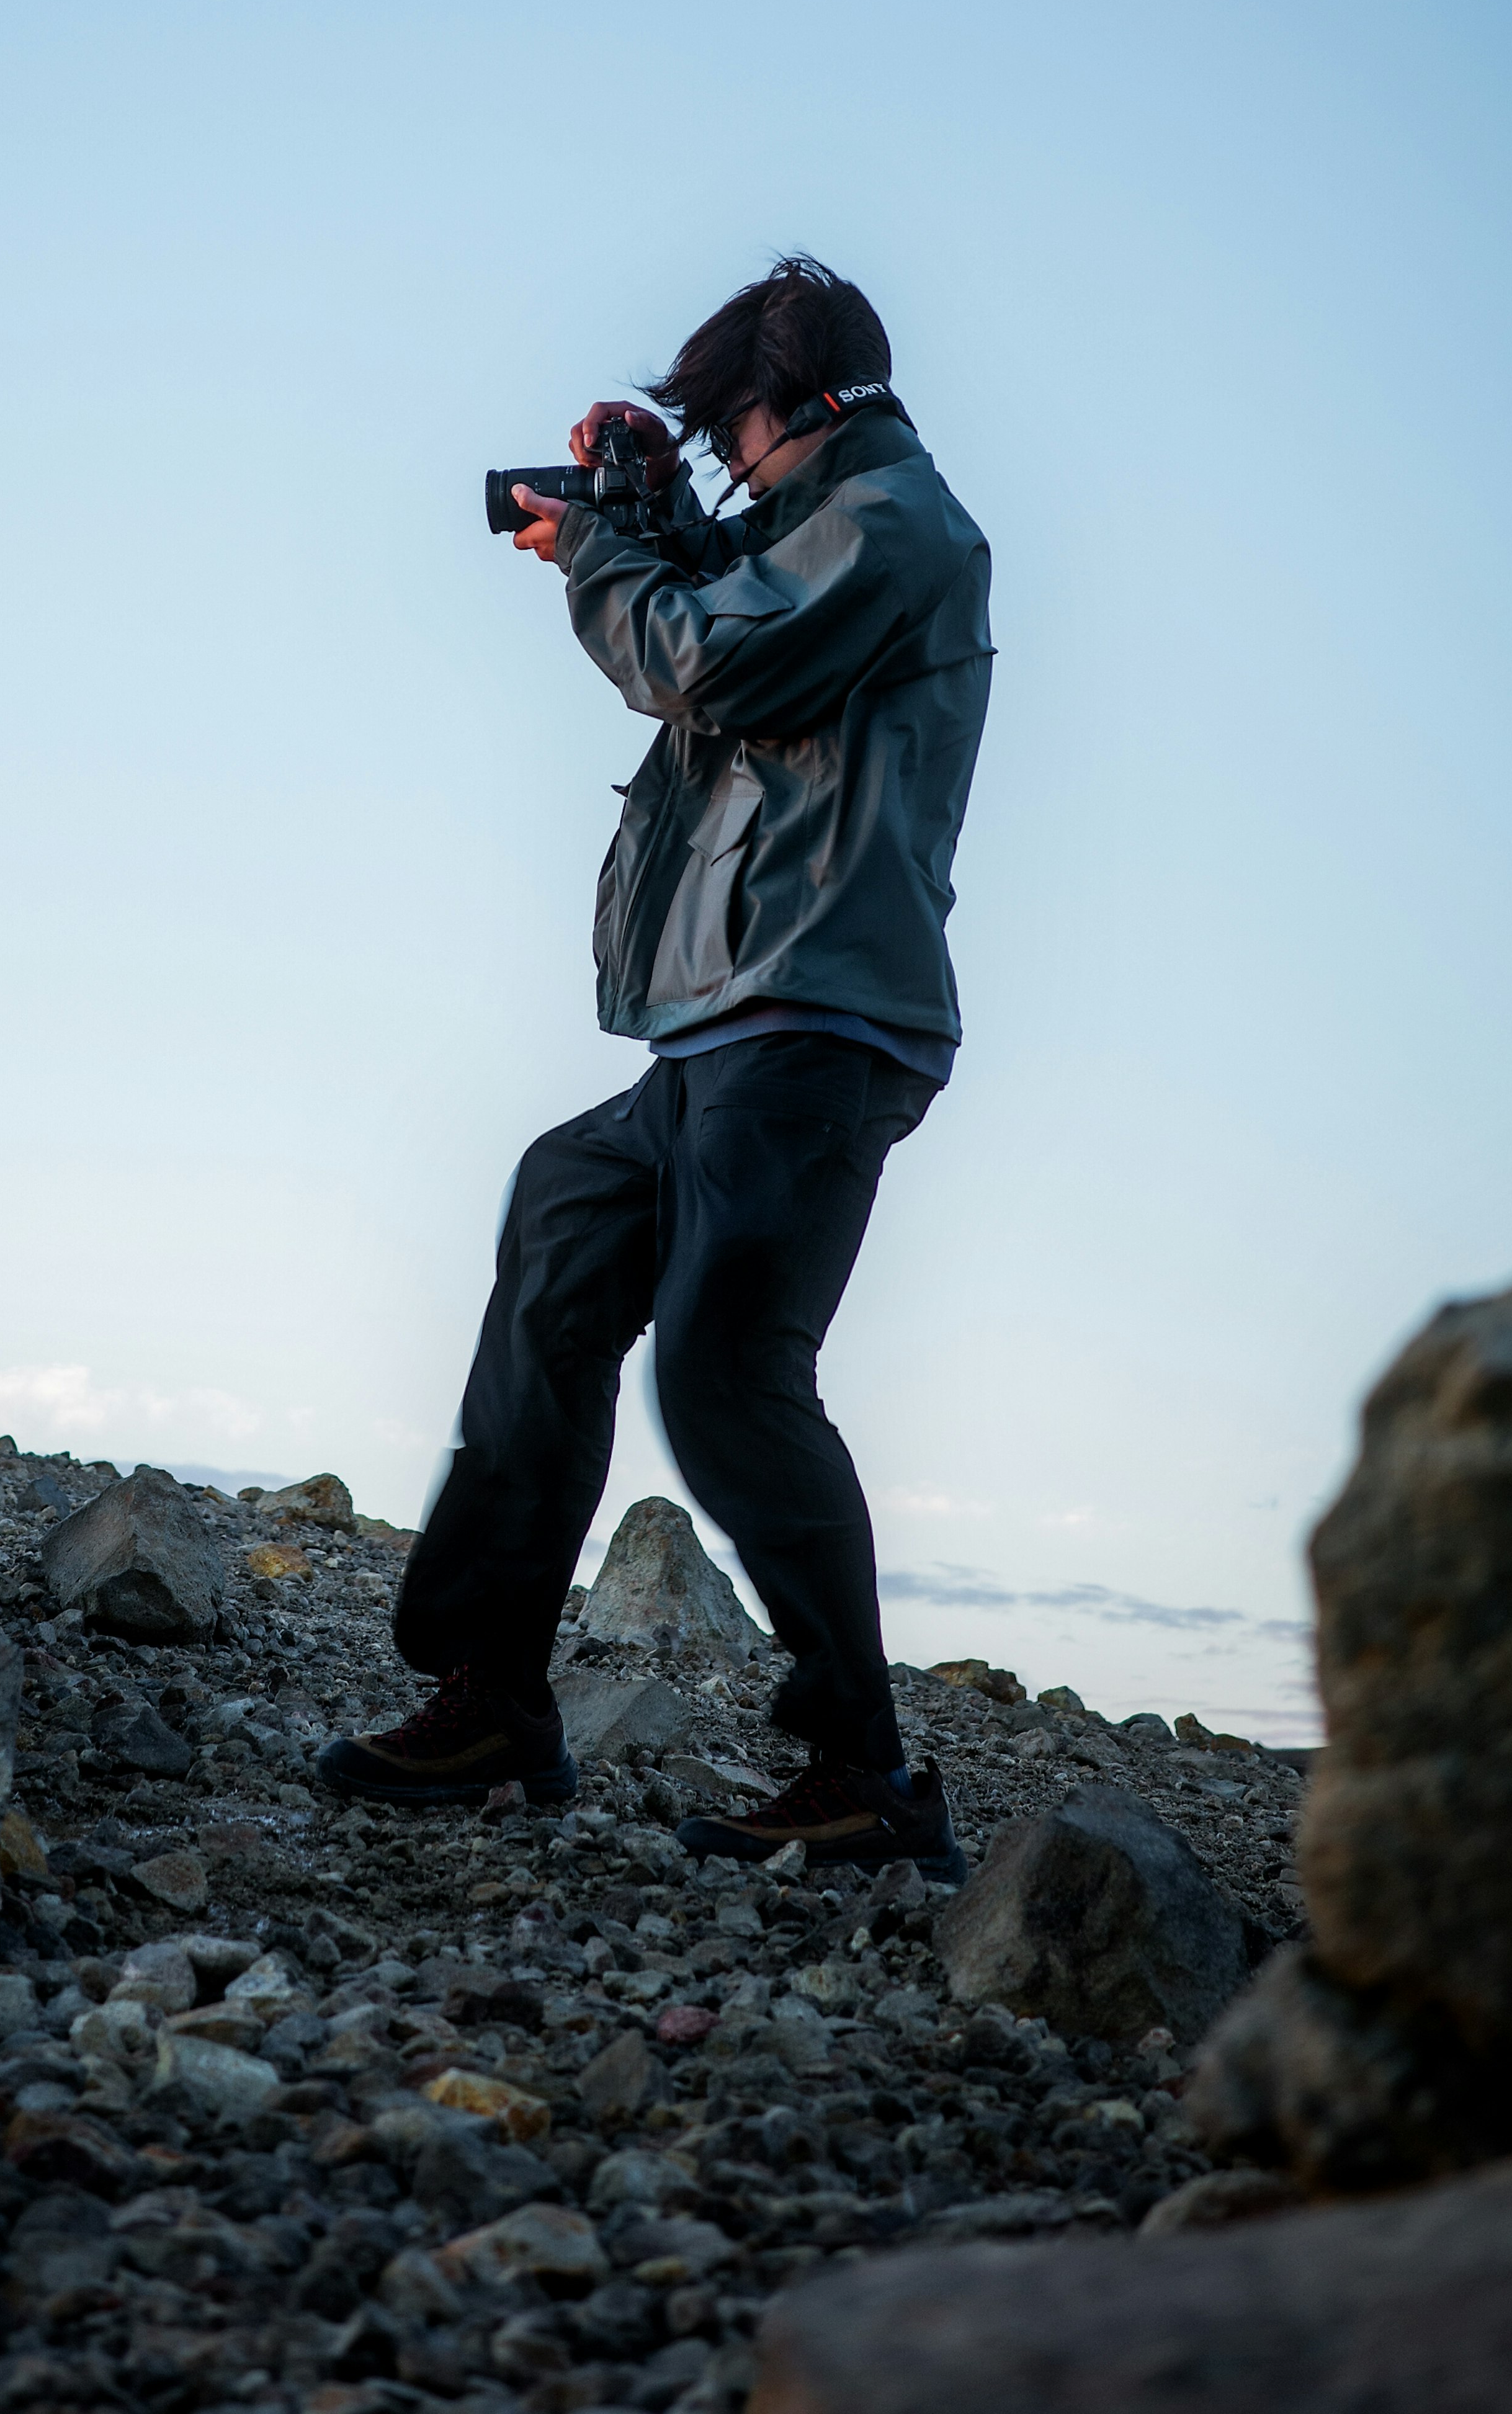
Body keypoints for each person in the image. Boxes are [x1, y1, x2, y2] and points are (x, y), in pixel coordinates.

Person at [318, 258, 993, 1877]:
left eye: (723, 432)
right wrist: (645, 516)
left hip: (821, 1022)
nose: (728, 459)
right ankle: (493, 1696)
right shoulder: (816, 525)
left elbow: (716, 664)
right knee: (563, 1221)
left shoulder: (903, 525)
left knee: (724, 1369)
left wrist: (609, 547)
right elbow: (732, 614)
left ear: (788, 404)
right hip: (727, 1024)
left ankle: (865, 1779)